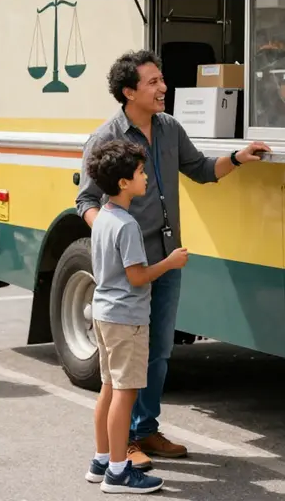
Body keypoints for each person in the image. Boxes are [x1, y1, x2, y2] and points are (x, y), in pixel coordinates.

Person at [76, 49, 270, 469]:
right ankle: (121, 442)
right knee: (126, 363)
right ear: (129, 92)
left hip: (166, 260)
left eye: (162, 80)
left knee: (159, 352)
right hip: (131, 270)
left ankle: (146, 429)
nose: (164, 88)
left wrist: (237, 158)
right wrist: (111, 234)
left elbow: (200, 169)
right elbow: (86, 201)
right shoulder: (105, 138)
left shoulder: (169, 128)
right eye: (153, 82)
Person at [84, 139, 188, 494]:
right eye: (142, 172)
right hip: (127, 318)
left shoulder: (102, 216)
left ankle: (100, 460)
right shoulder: (127, 225)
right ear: (124, 182)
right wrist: (170, 262)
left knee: (108, 389)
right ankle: (118, 471)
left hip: (104, 312)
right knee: (125, 395)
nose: (146, 178)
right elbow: (137, 276)